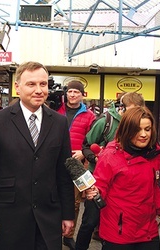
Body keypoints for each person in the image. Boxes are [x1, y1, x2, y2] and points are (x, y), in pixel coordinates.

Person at [0, 61, 75, 249]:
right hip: (8, 219)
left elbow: (64, 173)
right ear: (17, 87)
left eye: (43, 84)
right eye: (31, 84)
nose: (39, 90)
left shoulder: (59, 123)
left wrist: (68, 214)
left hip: (48, 219)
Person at [85, 106, 160, 250]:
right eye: (138, 129)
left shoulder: (154, 153)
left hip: (148, 230)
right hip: (118, 232)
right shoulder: (110, 155)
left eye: (147, 129)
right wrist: (94, 192)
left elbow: (152, 186)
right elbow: (100, 186)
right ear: (127, 130)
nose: (143, 134)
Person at [76, 92, 145, 250]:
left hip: (122, 186)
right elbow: (86, 146)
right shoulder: (105, 122)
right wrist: (96, 159)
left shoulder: (140, 125)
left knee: (115, 225)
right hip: (99, 182)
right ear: (121, 108)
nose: (135, 115)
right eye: (131, 111)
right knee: (90, 221)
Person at [57, 80, 96, 249]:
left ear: (82, 94)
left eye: (76, 92)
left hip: (78, 164)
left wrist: (83, 152)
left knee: (73, 201)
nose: (72, 94)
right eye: (70, 91)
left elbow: (92, 141)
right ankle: (52, 232)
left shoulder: (90, 116)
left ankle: (68, 235)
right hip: (55, 160)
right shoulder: (55, 110)